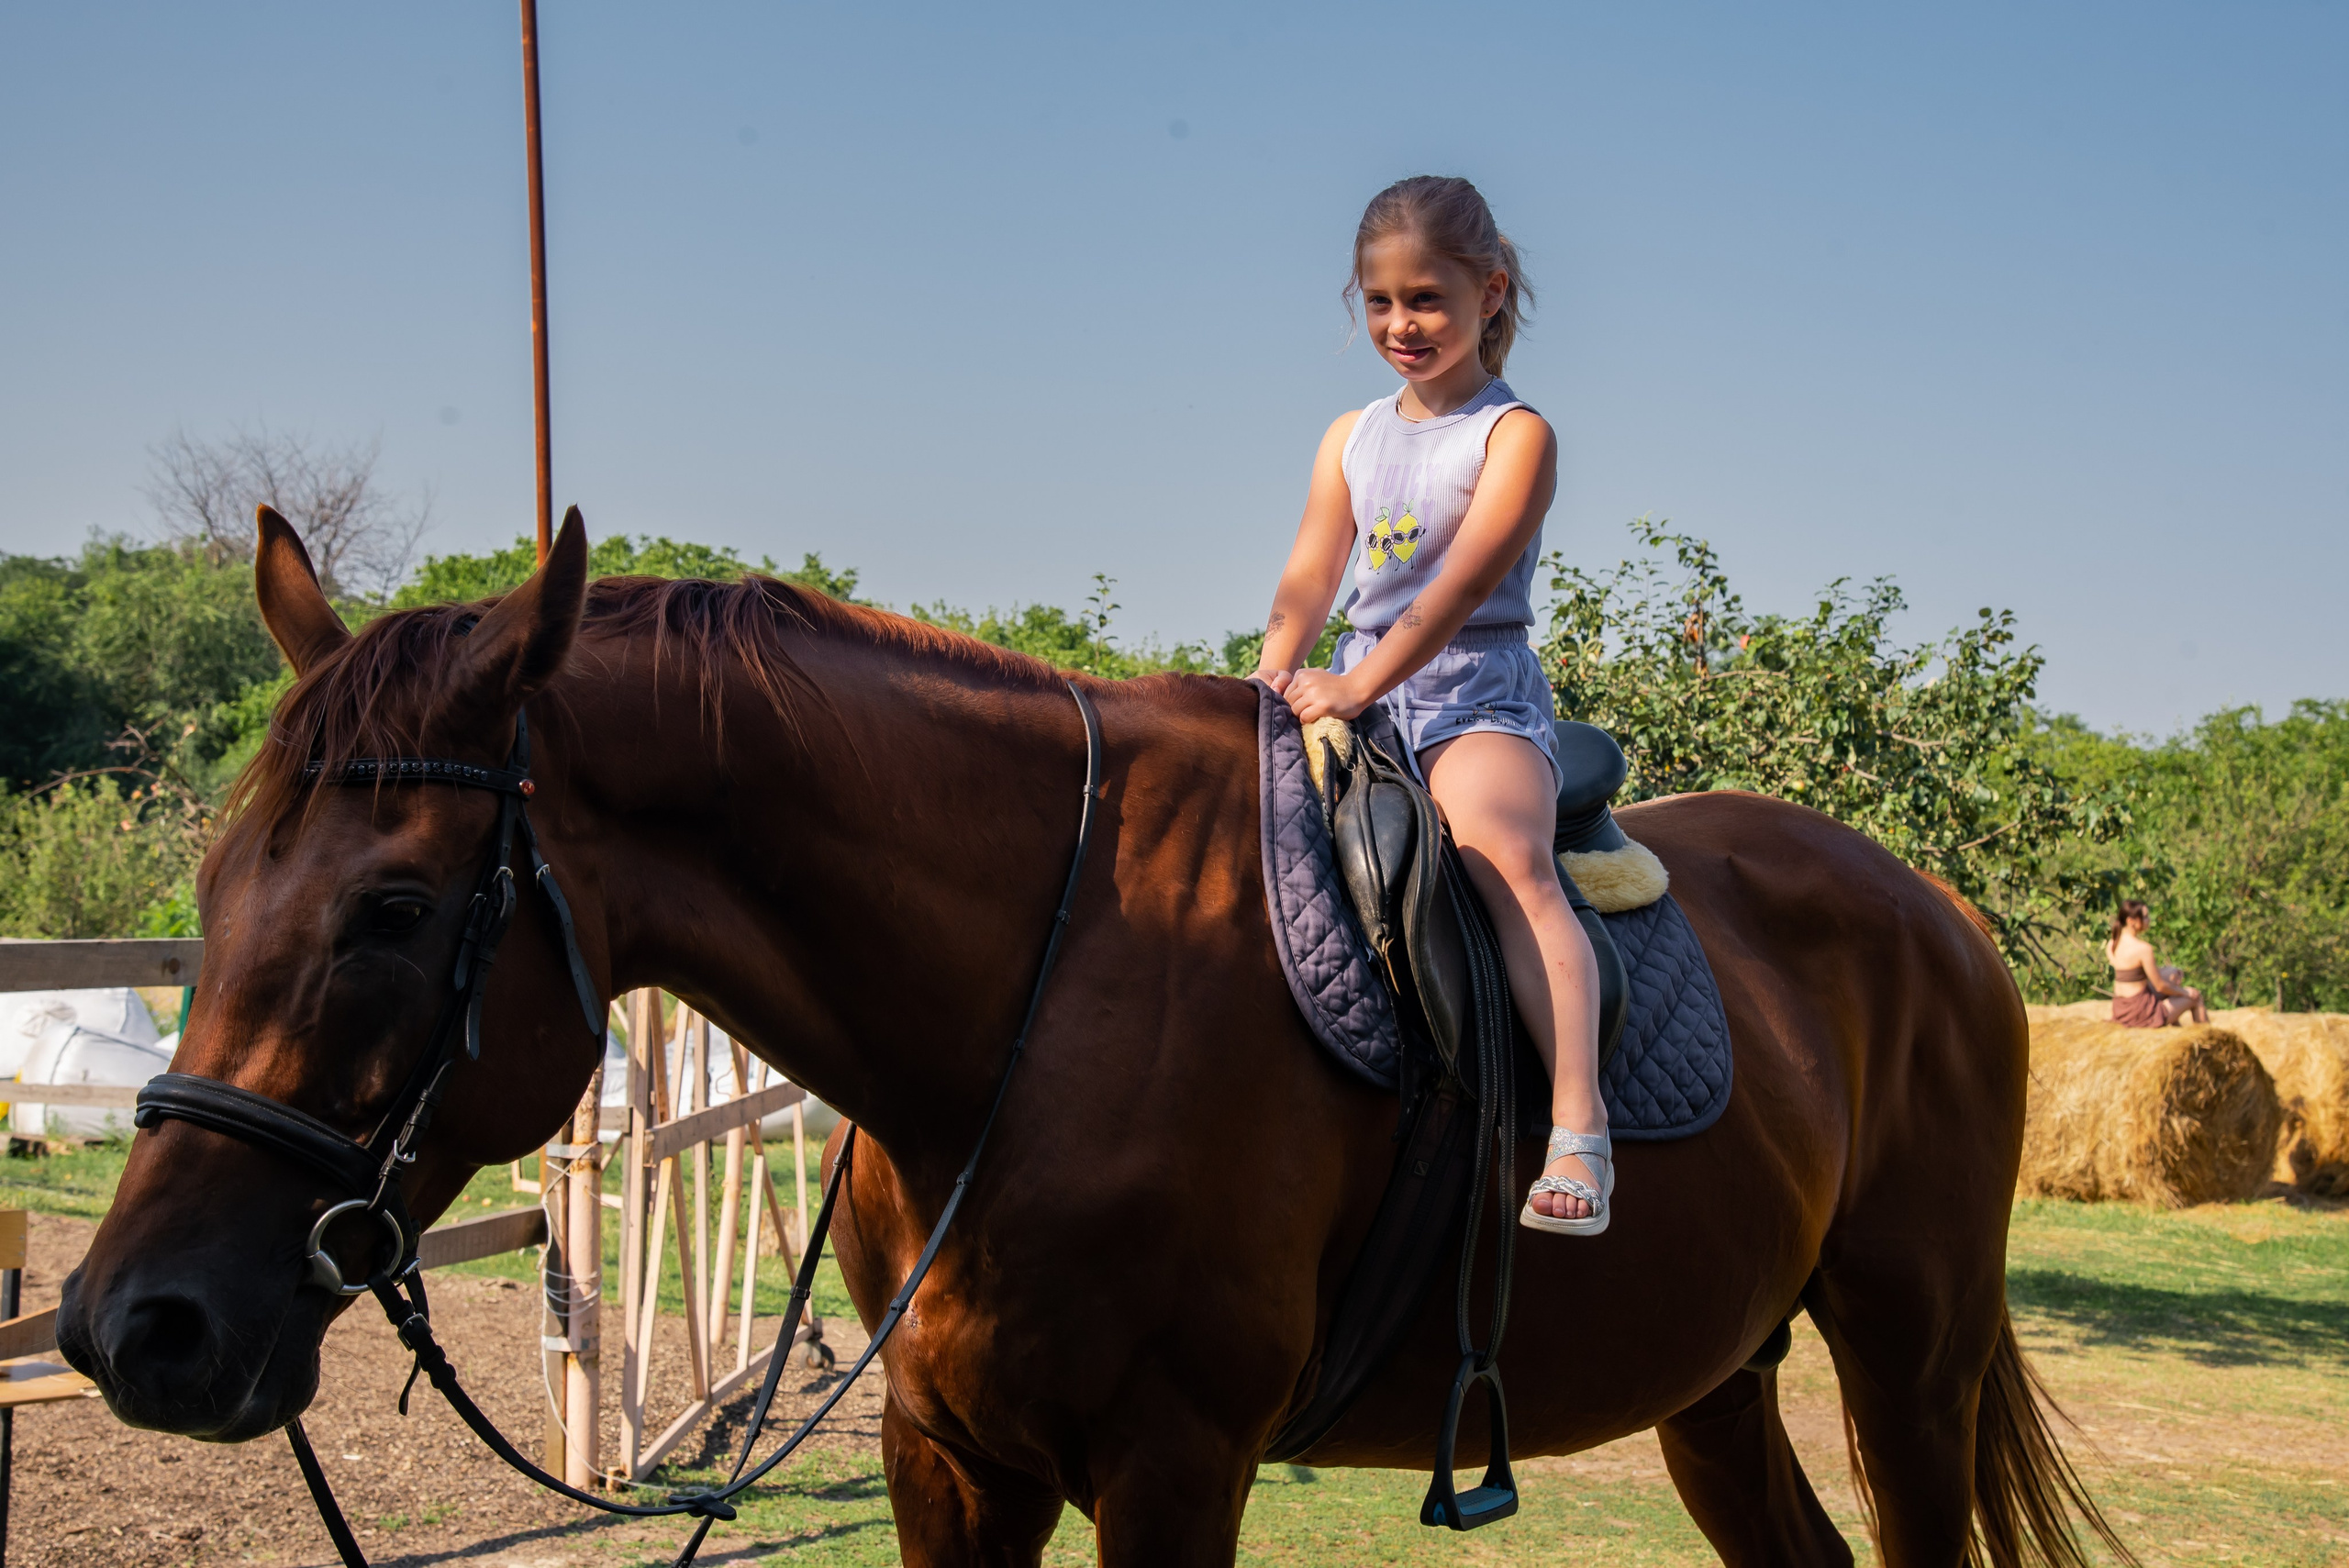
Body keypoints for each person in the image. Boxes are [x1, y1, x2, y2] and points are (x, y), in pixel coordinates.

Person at [1252, 175, 1609, 1237]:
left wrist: (1360, 684)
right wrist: (1273, 672)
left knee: (1503, 855)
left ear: (1488, 291)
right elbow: (1312, 576)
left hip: (1471, 693)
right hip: (1352, 685)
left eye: (1426, 300)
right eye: (1379, 301)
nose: (1401, 325)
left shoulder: (1515, 438)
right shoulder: (1350, 436)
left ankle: (1580, 1125)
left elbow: (1456, 590)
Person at [2106, 899, 2209, 1028]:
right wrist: (2186, 992)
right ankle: (2210, 1043)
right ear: (2131, 921)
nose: (2149, 920)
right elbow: (2160, 986)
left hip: (2121, 1007)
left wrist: (2172, 975)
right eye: (2145, 917)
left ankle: (2176, 1029)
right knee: (2196, 998)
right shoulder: (2143, 949)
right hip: (2139, 1012)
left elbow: (2135, 975)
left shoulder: (2112, 944)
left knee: (2172, 974)